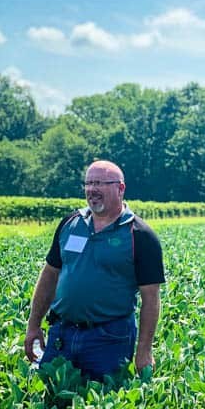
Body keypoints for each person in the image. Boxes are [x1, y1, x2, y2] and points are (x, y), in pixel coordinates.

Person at [25, 160, 165, 381]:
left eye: (99, 183)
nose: (92, 190)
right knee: (51, 396)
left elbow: (151, 298)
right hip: (62, 332)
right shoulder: (70, 224)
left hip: (109, 338)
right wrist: (33, 326)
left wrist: (144, 350)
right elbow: (50, 274)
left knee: (103, 402)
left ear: (120, 188)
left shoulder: (140, 234)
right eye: (88, 183)